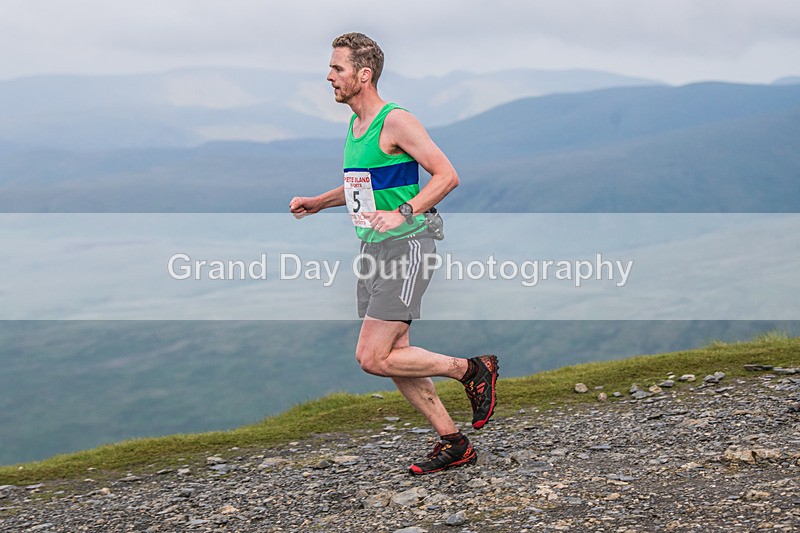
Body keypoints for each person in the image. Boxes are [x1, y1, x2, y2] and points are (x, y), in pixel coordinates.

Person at [289, 32, 498, 475]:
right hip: (374, 249)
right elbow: (361, 188)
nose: (329, 76)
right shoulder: (356, 125)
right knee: (395, 353)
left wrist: (404, 213)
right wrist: (318, 202)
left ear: (363, 76)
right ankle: (454, 442)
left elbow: (447, 176)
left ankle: (471, 369)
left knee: (372, 357)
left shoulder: (395, 120)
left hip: (407, 246)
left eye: (337, 69)